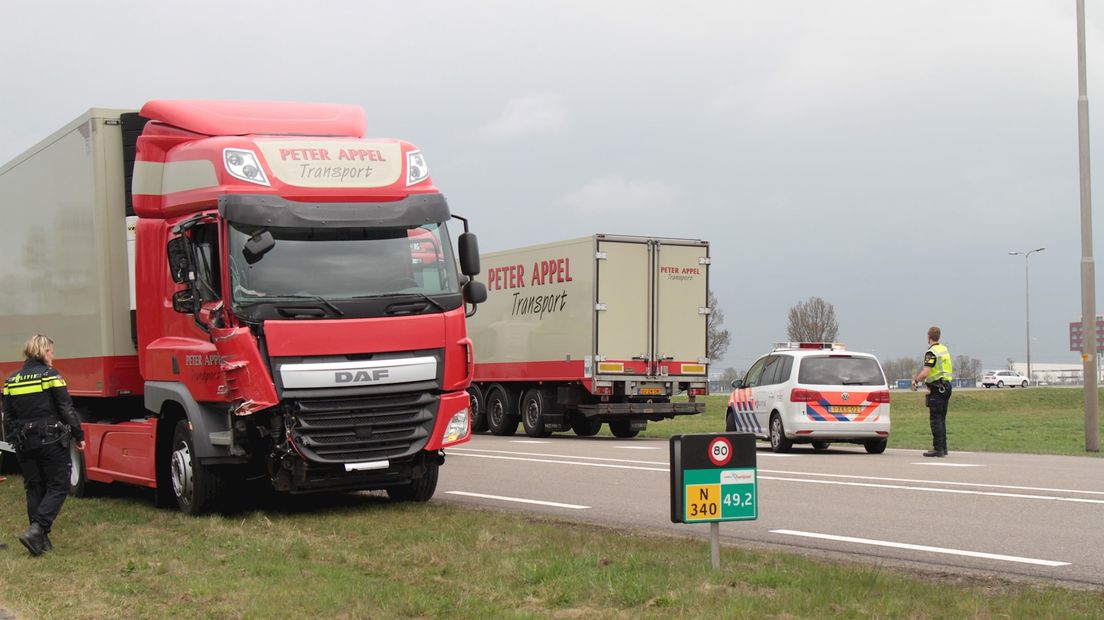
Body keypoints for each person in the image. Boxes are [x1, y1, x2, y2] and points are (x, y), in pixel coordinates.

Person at [1, 334, 85, 556]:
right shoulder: (50, 376)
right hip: (50, 440)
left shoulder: (11, 380)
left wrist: (13, 439)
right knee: (59, 484)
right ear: (42, 352)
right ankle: (38, 529)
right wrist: (79, 434)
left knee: (34, 487)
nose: (53, 357)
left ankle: (39, 542)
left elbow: (8, 416)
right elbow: (66, 407)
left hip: (23, 443)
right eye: (51, 352)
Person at [911, 326, 953, 457]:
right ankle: (943, 448)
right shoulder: (944, 349)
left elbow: (926, 372)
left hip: (937, 389)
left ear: (929, 337)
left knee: (936, 419)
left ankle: (938, 449)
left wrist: (916, 380)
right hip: (946, 386)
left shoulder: (931, 352)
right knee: (942, 418)